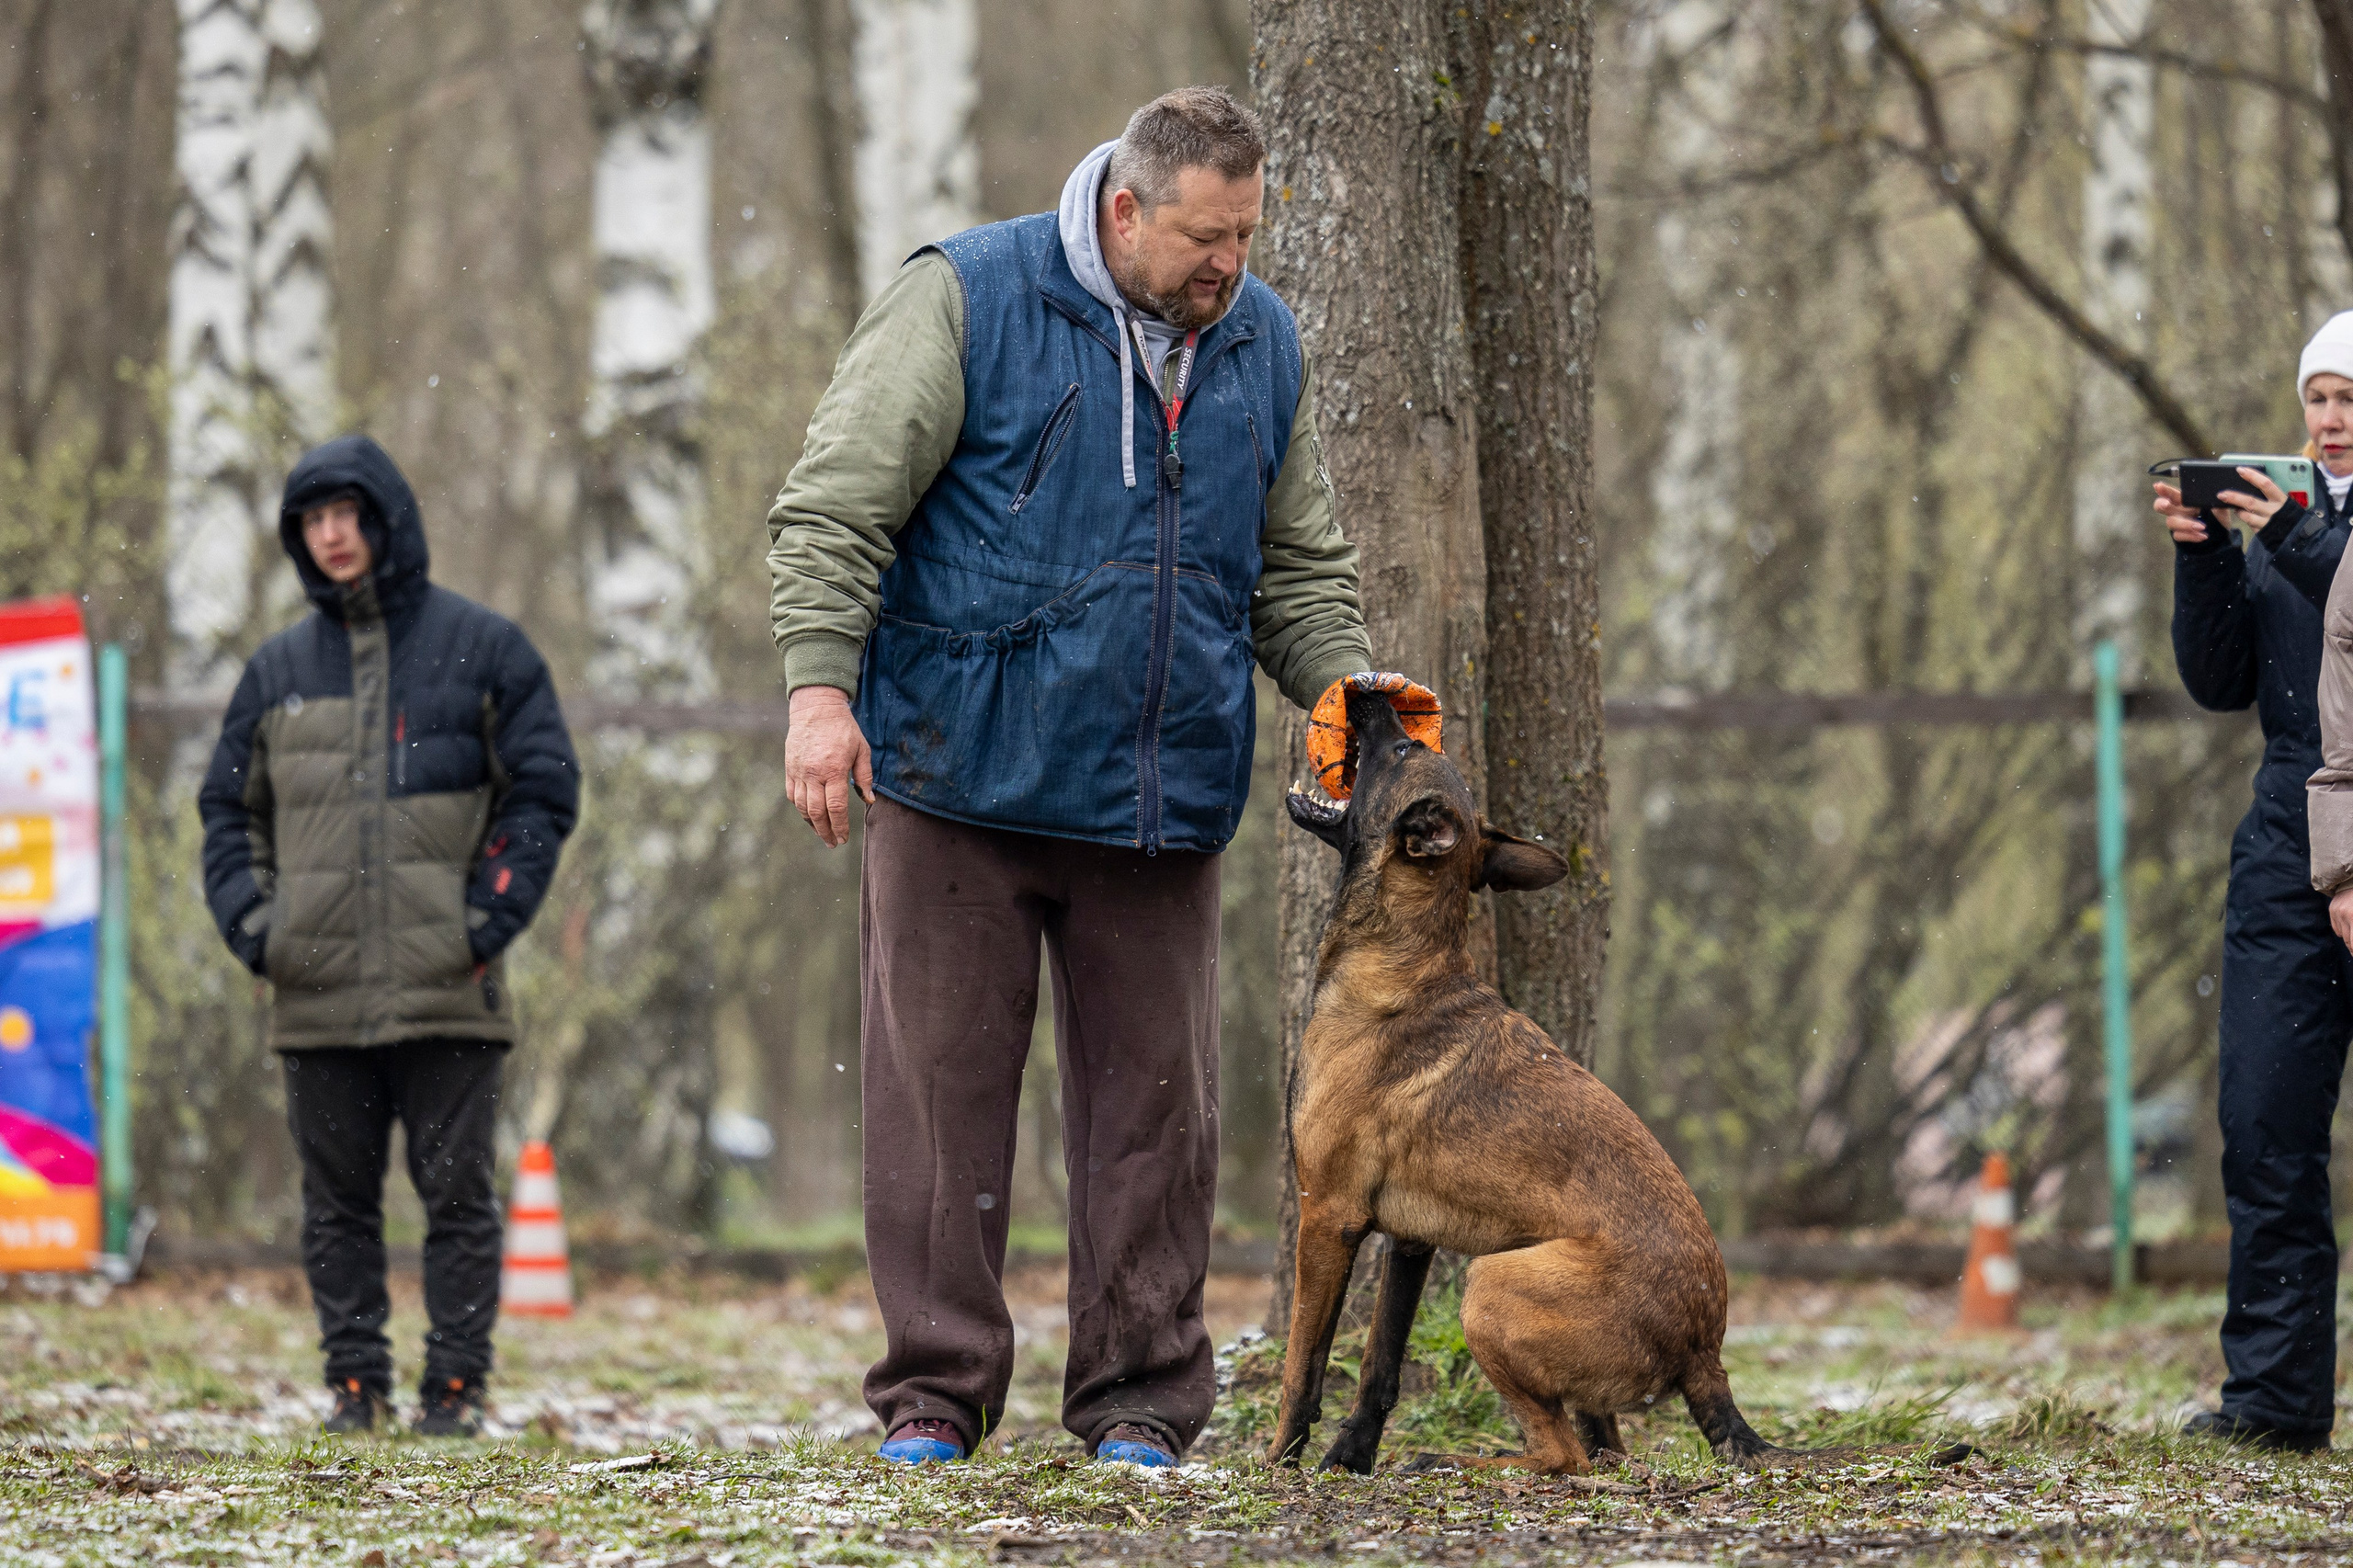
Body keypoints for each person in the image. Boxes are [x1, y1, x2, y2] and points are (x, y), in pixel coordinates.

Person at [767, 87, 1374, 1467]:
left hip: (1158, 798)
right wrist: (818, 694)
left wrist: (1346, 692)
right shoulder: (966, 297)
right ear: (1124, 209)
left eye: (1246, 235)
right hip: (954, 778)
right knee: (937, 1114)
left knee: (1157, 1123)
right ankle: (934, 1394)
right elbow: (835, 507)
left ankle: (1139, 1400)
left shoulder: (1262, 341)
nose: (1230, 265)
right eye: (1206, 238)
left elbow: (1298, 566)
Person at [199, 435, 579, 1437]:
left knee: (457, 1198)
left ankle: (454, 1389)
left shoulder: (484, 649)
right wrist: (260, 930)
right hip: (316, 989)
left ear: (385, 519)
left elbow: (542, 791)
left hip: (450, 982)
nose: (331, 535)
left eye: (346, 514)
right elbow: (227, 812)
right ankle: (355, 1388)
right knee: (336, 1206)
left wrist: (487, 919)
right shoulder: (275, 672)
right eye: (312, 520)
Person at [2157, 310, 2353, 1452]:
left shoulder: (2302, 526)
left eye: (2350, 399)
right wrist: (2204, 556)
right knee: (2265, 1121)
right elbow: (2220, 679)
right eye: (2317, 398)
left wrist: (2290, 533)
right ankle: (2274, 1401)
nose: (2331, 420)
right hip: (2287, 834)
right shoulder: (2289, 514)